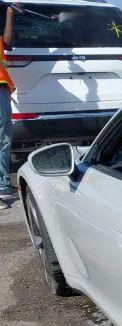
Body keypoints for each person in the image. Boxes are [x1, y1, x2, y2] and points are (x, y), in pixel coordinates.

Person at [0, 1, 22, 208]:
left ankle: (3, 184)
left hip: (1, 86)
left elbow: (7, 44)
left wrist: (9, 13)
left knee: (4, 138)